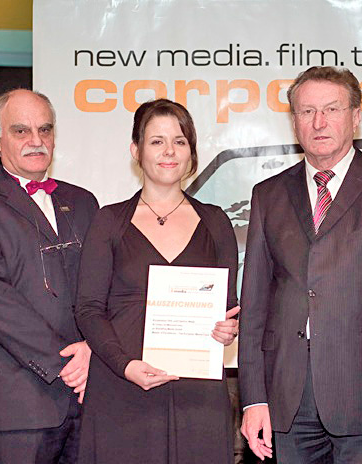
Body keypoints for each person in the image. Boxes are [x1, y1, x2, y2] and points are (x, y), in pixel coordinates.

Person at [238, 66, 362, 463]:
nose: (319, 122)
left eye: (332, 109)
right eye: (307, 111)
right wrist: (253, 399)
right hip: (288, 395)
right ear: (294, 121)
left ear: (355, 117)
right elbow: (254, 306)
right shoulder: (268, 194)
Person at [74, 98, 240, 463]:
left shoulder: (216, 222)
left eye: (179, 141)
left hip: (197, 394)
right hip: (121, 388)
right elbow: (88, 310)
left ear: (191, 152)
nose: (169, 151)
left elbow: (229, 307)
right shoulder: (108, 221)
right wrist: (125, 365)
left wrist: (229, 328)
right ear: (136, 150)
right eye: (157, 141)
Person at [0, 89, 99, 463]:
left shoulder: (84, 202)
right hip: (17, 404)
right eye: (21, 131)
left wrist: (95, 349)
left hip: (90, 396)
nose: (36, 140)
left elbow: (103, 286)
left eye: (45, 129)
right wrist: (67, 363)